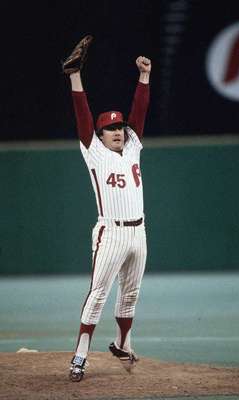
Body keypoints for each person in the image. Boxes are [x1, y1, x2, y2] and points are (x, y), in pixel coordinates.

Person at [63, 36, 151, 382]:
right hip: (111, 231)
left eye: (119, 126)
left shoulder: (132, 148)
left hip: (138, 231)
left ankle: (122, 343)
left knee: (130, 295)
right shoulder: (93, 151)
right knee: (98, 294)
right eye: (109, 128)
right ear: (98, 135)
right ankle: (81, 354)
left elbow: (139, 113)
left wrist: (144, 77)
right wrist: (74, 77)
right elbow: (82, 113)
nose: (117, 131)